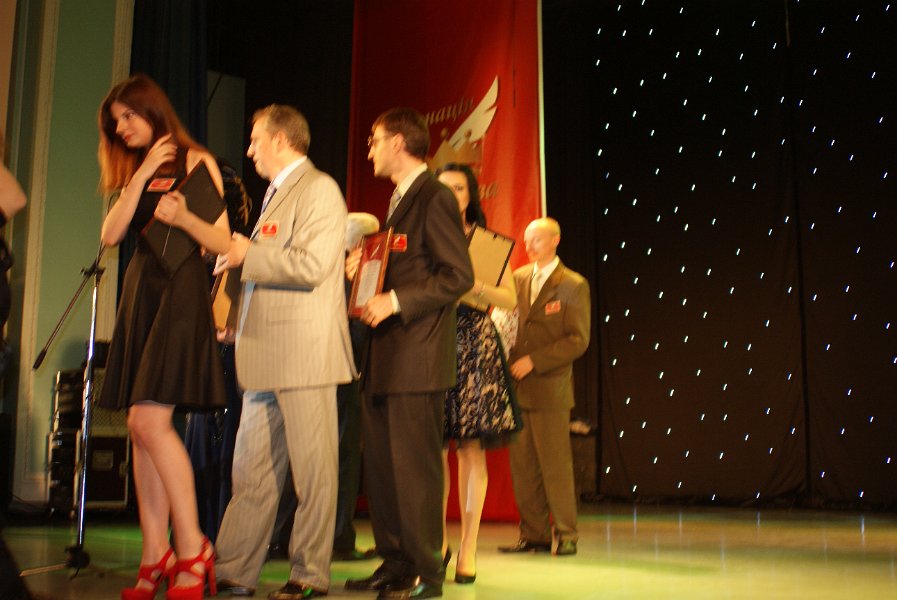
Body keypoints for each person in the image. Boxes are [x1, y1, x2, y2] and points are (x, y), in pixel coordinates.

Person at [96, 74, 231, 600]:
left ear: (152, 110)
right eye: (116, 123)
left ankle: (193, 546)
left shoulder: (197, 160)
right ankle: (156, 553)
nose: (122, 129)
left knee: (151, 420)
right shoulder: (138, 169)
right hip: (142, 292)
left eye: (128, 116)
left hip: (179, 291)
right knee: (138, 425)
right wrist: (142, 173)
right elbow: (110, 235)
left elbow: (222, 240)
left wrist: (188, 218)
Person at [212, 104, 354, 600]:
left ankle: (309, 574)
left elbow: (312, 265)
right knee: (251, 471)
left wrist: (247, 253)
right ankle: (235, 569)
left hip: (304, 356)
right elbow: (267, 271)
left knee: (313, 474)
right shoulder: (275, 194)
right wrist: (236, 320)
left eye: (255, 139)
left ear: (280, 139)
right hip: (264, 354)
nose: (249, 149)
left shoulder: (319, 189)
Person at [344, 108, 473, 600]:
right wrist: (363, 269)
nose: (370, 150)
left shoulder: (433, 196)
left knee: (415, 472)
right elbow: (404, 266)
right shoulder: (399, 200)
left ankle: (426, 572)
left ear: (398, 142)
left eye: (375, 140)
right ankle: (396, 562)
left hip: (416, 359)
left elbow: (456, 275)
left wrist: (395, 300)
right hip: (385, 356)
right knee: (383, 470)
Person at [434, 163, 520, 584]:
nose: (451, 195)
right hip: (432, 339)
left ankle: (468, 549)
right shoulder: (425, 235)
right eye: (444, 188)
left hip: (472, 343)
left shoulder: (485, 241)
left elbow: (509, 297)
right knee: (433, 450)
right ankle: (437, 543)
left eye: (459, 188)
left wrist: (473, 287)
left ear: (471, 195)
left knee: (470, 448)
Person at [498, 217, 590, 557]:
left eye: (536, 239)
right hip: (517, 388)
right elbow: (506, 323)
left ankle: (566, 534)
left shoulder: (572, 284)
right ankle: (533, 534)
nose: (529, 245)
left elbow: (577, 339)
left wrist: (535, 361)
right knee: (524, 468)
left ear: (555, 240)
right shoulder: (518, 278)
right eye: (526, 240)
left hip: (550, 389)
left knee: (555, 466)